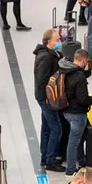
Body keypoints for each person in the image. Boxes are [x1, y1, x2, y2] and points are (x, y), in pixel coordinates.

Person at [58, 49, 92, 175]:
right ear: (84, 60)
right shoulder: (78, 76)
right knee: (74, 140)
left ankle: (82, 161)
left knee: (81, 137)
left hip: (66, 110)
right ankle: (70, 169)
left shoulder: (65, 68)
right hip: (77, 113)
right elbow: (84, 99)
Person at [33, 28, 64, 171]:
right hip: (47, 98)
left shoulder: (51, 54)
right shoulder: (46, 57)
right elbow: (42, 80)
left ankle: (44, 156)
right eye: (57, 40)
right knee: (56, 128)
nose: (60, 42)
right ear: (49, 42)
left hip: (45, 97)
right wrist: (47, 99)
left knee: (46, 127)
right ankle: (51, 159)